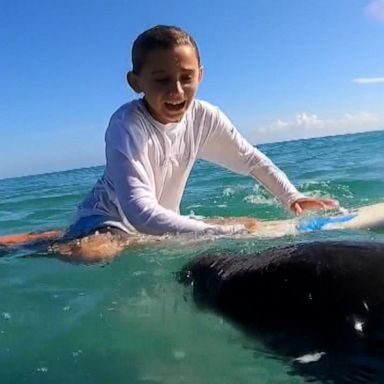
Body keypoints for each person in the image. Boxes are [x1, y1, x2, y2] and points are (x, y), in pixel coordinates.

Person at [1, 25, 337, 261]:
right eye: (162, 80)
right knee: (97, 253)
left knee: (246, 223)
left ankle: (55, 235)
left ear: (200, 75)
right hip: (108, 220)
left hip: (154, 222)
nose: (177, 91)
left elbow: (250, 160)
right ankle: (31, 247)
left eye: (186, 78)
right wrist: (221, 233)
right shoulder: (126, 125)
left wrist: (293, 198)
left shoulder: (205, 117)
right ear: (136, 83)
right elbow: (139, 211)